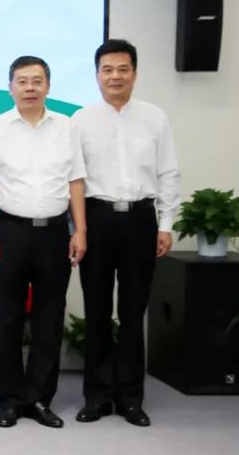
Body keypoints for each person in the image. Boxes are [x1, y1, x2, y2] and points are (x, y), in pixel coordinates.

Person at [72, 39, 180, 427]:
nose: (115, 76)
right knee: (97, 310)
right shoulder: (81, 120)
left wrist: (165, 224)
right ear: (97, 75)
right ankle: (97, 397)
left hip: (140, 219)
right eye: (107, 69)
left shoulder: (155, 118)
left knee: (134, 312)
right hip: (97, 219)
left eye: (123, 69)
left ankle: (131, 398)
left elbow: (168, 173)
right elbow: (74, 180)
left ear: (134, 73)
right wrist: (78, 229)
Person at [0, 55, 87, 429]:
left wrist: (80, 230)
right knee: (7, 317)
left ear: (48, 86)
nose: (29, 88)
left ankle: (39, 399)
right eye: (22, 81)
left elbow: (75, 181)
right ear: (10, 87)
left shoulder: (67, 127)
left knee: (49, 318)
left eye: (37, 81)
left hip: (55, 233)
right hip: (10, 231)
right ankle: (9, 400)